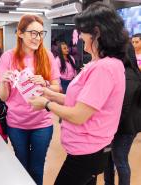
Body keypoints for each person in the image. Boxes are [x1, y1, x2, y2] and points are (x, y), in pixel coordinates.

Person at [28, 2, 129, 185]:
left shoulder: (104, 68)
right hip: (88, 149)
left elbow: (78, 115)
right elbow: (80, 102)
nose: (80, 37)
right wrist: (49, 94)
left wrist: (46, 104)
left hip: (86, 152)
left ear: (96, 33)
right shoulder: (103, 64)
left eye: (82, 32)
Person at [0, 14, 60, 185]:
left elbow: (57, 88)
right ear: (20, 33)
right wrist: (3, 81)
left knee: (37, 168)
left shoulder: (47, 56)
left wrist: (45, 83)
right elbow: (3, 97)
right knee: (21, 165)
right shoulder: (8, 58)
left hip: (42, 123)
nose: (37, 38)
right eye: (33, 33)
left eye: (40, 33)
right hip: (16, 124)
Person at [104, 43, 141, 185]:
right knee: (109, 158)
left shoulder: (128, 75)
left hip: (123, 127)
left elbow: (123, 107)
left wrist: (109, 126)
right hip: (119, 125)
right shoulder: (129, 72)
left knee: (120, 160)